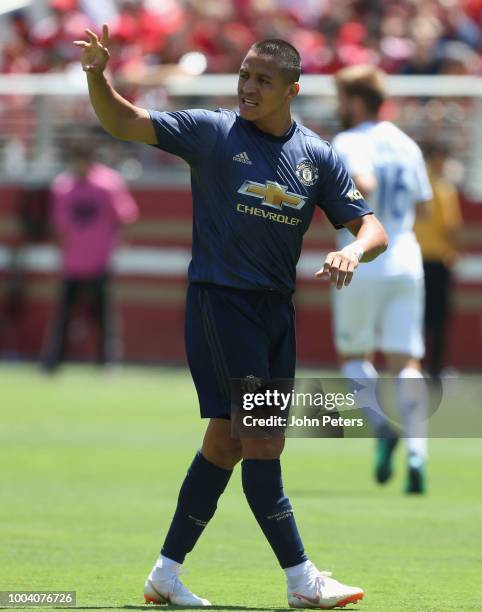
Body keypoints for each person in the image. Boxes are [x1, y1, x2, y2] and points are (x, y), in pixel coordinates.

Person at [74, 25, 388, 608]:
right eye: (244, 75)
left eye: (263, 80)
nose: (248, 87)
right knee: (264, 442)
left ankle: (164, 576)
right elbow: (123, 121)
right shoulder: (213, 132)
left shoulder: (316, 155)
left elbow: (374, 229)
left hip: (276, 314)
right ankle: (303, 580)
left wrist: (351, 249)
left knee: (225, 443)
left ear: (292, 89)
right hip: (222, 307)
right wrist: (97, 76)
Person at [331, 65, 433, 494]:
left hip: (363, 257)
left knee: (353, 353)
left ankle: (381, 426)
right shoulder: (406, 142)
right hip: (406, 256)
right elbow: (425, 207)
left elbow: (363, 180)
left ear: (354, 101)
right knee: (406, 362)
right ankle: (417, 451)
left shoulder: (350, 140)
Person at [43, 140, 138, 371]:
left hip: (100, 261)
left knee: (104, 316)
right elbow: (57, 227)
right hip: (73, 262)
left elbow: (126, 217)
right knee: (64, 316)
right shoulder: (62, 186)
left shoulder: (109, 183)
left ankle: (107, 362)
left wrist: (119, 246)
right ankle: (53, 362)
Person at [414, 141, 463, 379]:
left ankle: (416, 367)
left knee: (419, 318)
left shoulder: (417, 186)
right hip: (438, 260)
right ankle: (436, 369)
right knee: (438, 319)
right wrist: (456, 250)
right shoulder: (443, 188)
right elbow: (451, 227)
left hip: (416, 259)